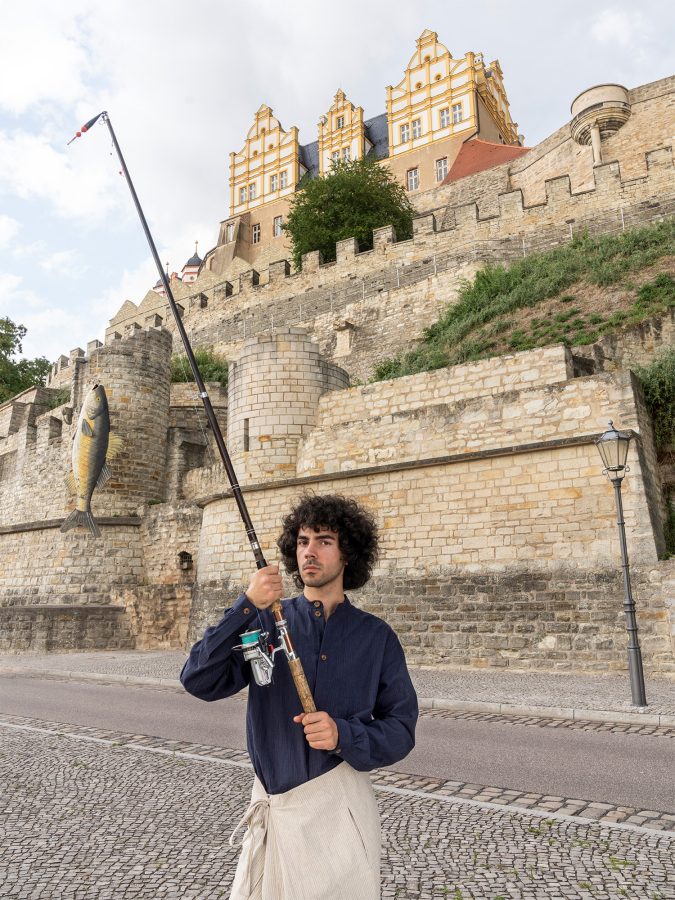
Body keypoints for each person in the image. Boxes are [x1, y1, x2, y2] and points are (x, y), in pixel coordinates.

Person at [180, 493, 418, 900]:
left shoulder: (376, 638)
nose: (310, 551)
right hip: (275, 808)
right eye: (303, 541)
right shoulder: (265, 623)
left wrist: (344, 735)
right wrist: (246, 605)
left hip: (339, 814)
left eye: (324, 541)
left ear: (348, 554)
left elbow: (401, 729)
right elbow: (198, 679)